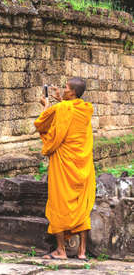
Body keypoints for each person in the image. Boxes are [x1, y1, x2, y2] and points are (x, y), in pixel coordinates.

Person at [34, 77, 96, 260]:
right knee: (81, 205)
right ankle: (82, 252)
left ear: (73, 92)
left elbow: (42, 123)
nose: (64, 89)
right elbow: (70, 116)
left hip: (63, 162)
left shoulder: (62, 109)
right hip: (82, 165)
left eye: (66, 88)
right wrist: (61, 101)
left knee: (59, 203)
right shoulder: (85, 109)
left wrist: (46, 104)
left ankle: (61, 250)